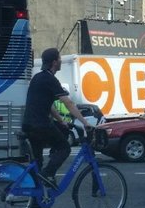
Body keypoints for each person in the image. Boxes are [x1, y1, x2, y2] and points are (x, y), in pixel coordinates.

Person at [22, 48, 93, 190]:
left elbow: (48, 106)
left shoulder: (37, 77)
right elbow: (69, 103)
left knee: (37, 165)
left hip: (28, 124)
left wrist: (61, 121)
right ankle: (48, 174)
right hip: (40, 125)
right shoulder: (50, 79)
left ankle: (36, 204)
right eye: (59, 59)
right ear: (54, 62)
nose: (60, 61)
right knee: (64, 148)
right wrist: (85, 123)